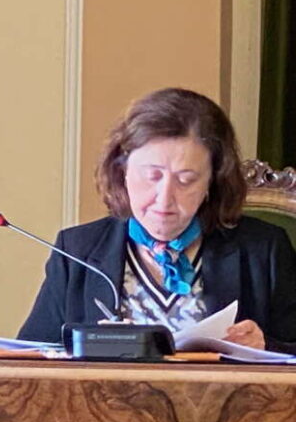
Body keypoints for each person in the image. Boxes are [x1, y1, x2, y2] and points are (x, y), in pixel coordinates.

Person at [19, 87, 296, 351]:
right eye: (151, 176)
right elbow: (33, 358)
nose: (164, 199)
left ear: (212, 182)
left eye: (186, 180)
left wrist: (266, 346)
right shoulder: (77, 251)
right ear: (123, 172)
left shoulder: (264, 249)